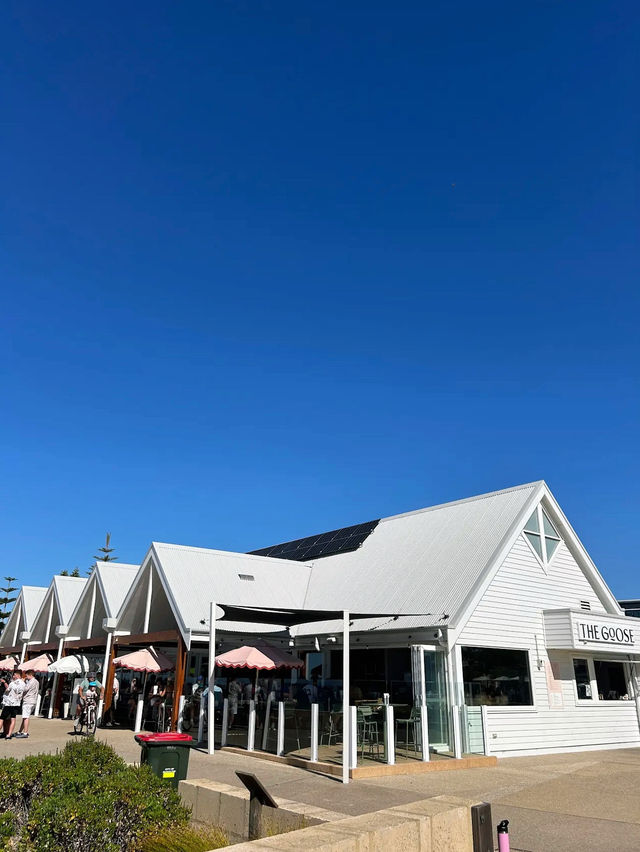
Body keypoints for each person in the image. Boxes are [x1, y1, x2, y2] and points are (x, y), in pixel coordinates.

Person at [1, 671, 25, 739]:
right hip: (16, 703)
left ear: (17, 675)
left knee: (2, 718)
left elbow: (8, 690)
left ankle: (5, 732)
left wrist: (4, 682)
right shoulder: (23, 683)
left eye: (14, 675)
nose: (13, 676)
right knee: (13, 719)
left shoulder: (12, 683)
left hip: (9, 703)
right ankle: (9, 734)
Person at [15, 670, 39, 738]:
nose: (26, 677)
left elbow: (25, 689)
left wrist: (22, 682)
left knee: (26, 717)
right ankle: (20, 731)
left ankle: (25, 733)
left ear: (30, 675)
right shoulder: (37, 681)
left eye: (27, 675)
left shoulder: (31, 681)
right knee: (25, 716)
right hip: (33, 700)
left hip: (28, 701)